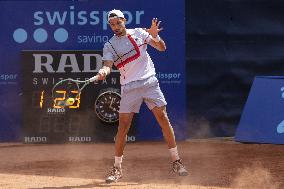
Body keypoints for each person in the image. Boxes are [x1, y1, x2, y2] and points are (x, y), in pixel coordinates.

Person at [96, 9, 188, 183]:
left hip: (149, 83)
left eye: (118, 23)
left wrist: (155, 37)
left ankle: (176, 161)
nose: (115, 27)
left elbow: (162, 48)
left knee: (162, 117)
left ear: (124, 20)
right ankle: (117, 169)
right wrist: (104, 70)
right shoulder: (109, 45)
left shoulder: (138, 33)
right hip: (129, 87)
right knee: (123, 127)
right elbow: (108, 65)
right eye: (112, 25)